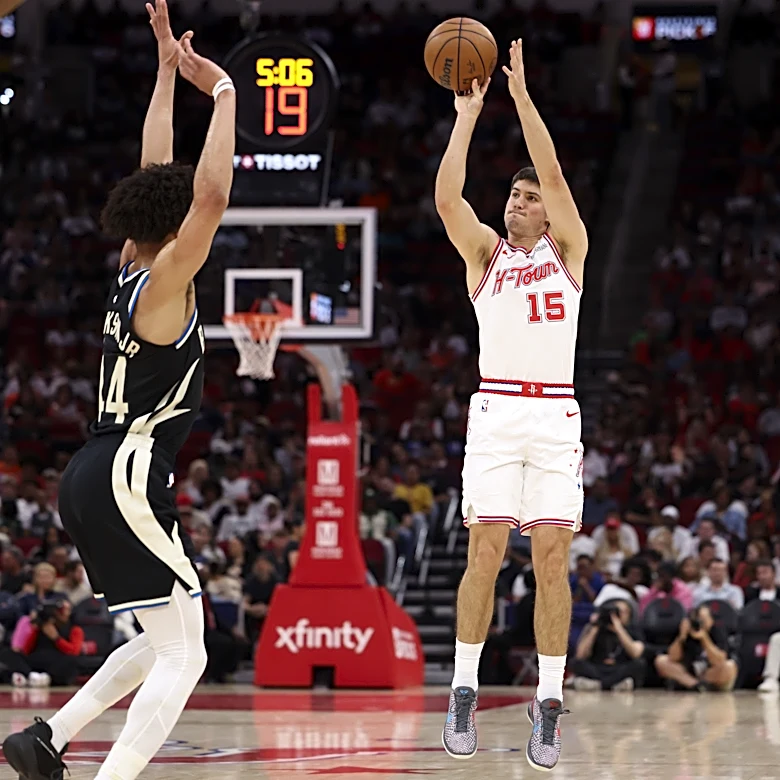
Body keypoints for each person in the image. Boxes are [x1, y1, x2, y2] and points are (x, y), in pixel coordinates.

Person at [1, 5, 236, 779]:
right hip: (128, 467)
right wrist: (225, 93)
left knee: (156, 644)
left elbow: (156, 172)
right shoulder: (167, 278)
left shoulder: (133, 267)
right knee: (188, 652)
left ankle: (46, 741)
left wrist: (167, 72)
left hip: (92, 471)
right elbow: (205, 198)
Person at [435, 39, 588, 770]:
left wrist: (521, 97)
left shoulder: (571, 251)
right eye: (514, 196)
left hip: (555, 416)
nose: (519, 203)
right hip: (495, 413)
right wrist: (467, 118)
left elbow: (553, 171)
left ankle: (549, 702)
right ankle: (464, 686)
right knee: (486, 551)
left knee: (553, 560)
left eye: (530, 199)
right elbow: (446, 199)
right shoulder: (485, 256)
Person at [654, 604, 738, 692]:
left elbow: (719, 660)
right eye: (698, 619)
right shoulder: (687, 630)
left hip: (711, 674)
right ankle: (695, 685)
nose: (700, 622)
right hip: (690, 673)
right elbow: (673, 657)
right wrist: (681, 637)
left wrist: (704, 639)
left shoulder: (718, 631)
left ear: (711, 620)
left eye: (703, 620)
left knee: (729, 667)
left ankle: (700, 684)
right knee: (661, 660)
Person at [570, 600, 646, 691]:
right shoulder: (594, 628)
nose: (619, 615)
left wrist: (618, 628)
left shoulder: (633, 630)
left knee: (639, 664)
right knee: (575, 663)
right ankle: (613, 685)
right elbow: (580, 655)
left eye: (624, 612)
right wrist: (595, 627)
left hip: (619, 667)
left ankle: (598, 684)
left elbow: (635, 653)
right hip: (598, 667)